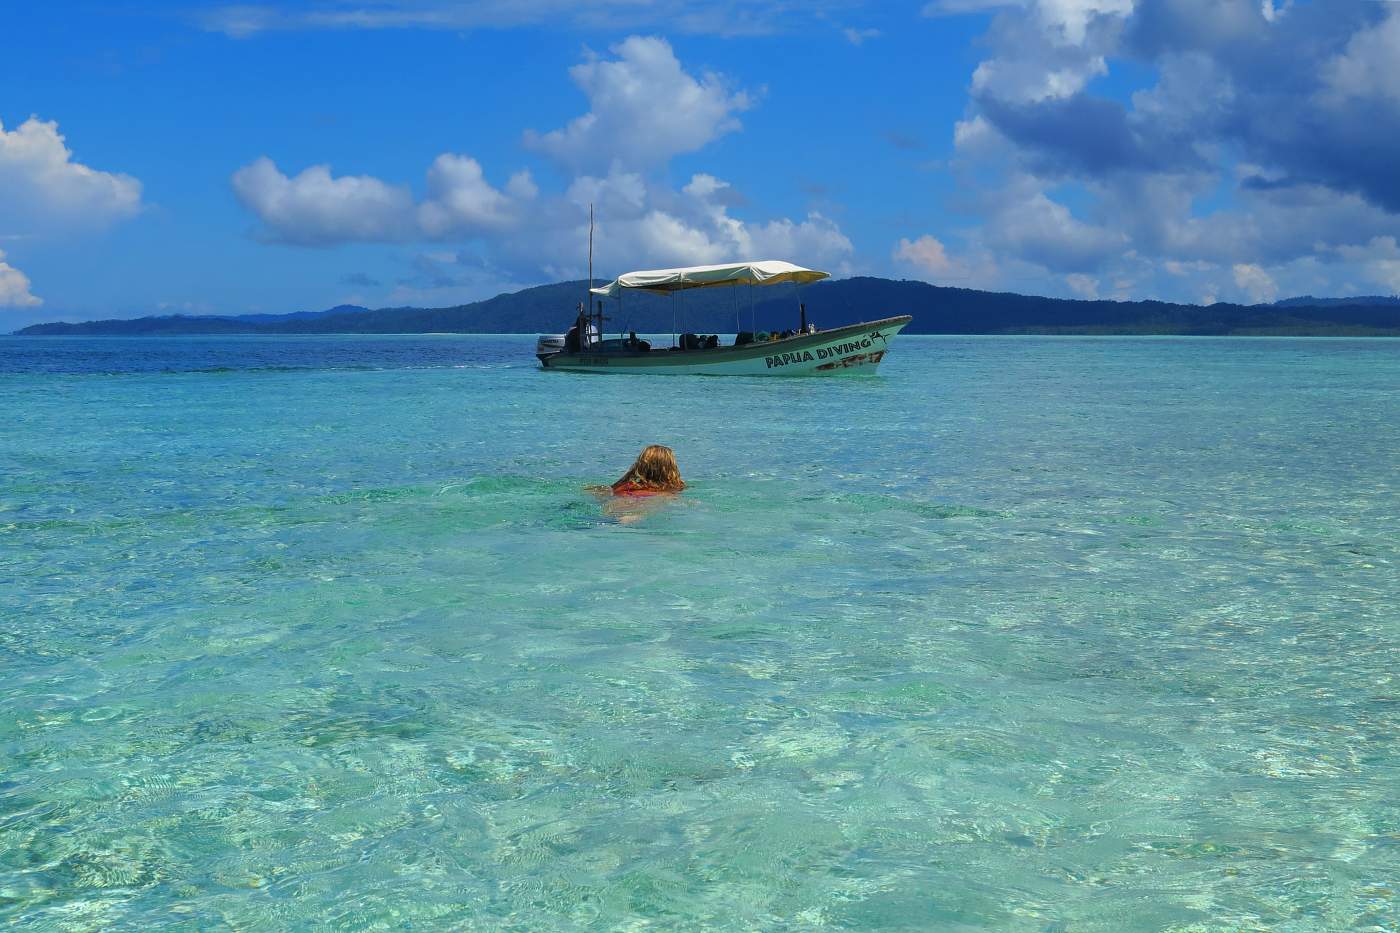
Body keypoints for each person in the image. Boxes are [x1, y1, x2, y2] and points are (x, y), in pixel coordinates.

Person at [610, 444, 685, 496]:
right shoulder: (675, 489)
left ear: (640, 466)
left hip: (626, 499)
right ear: (671, 468)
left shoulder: (626, 487)